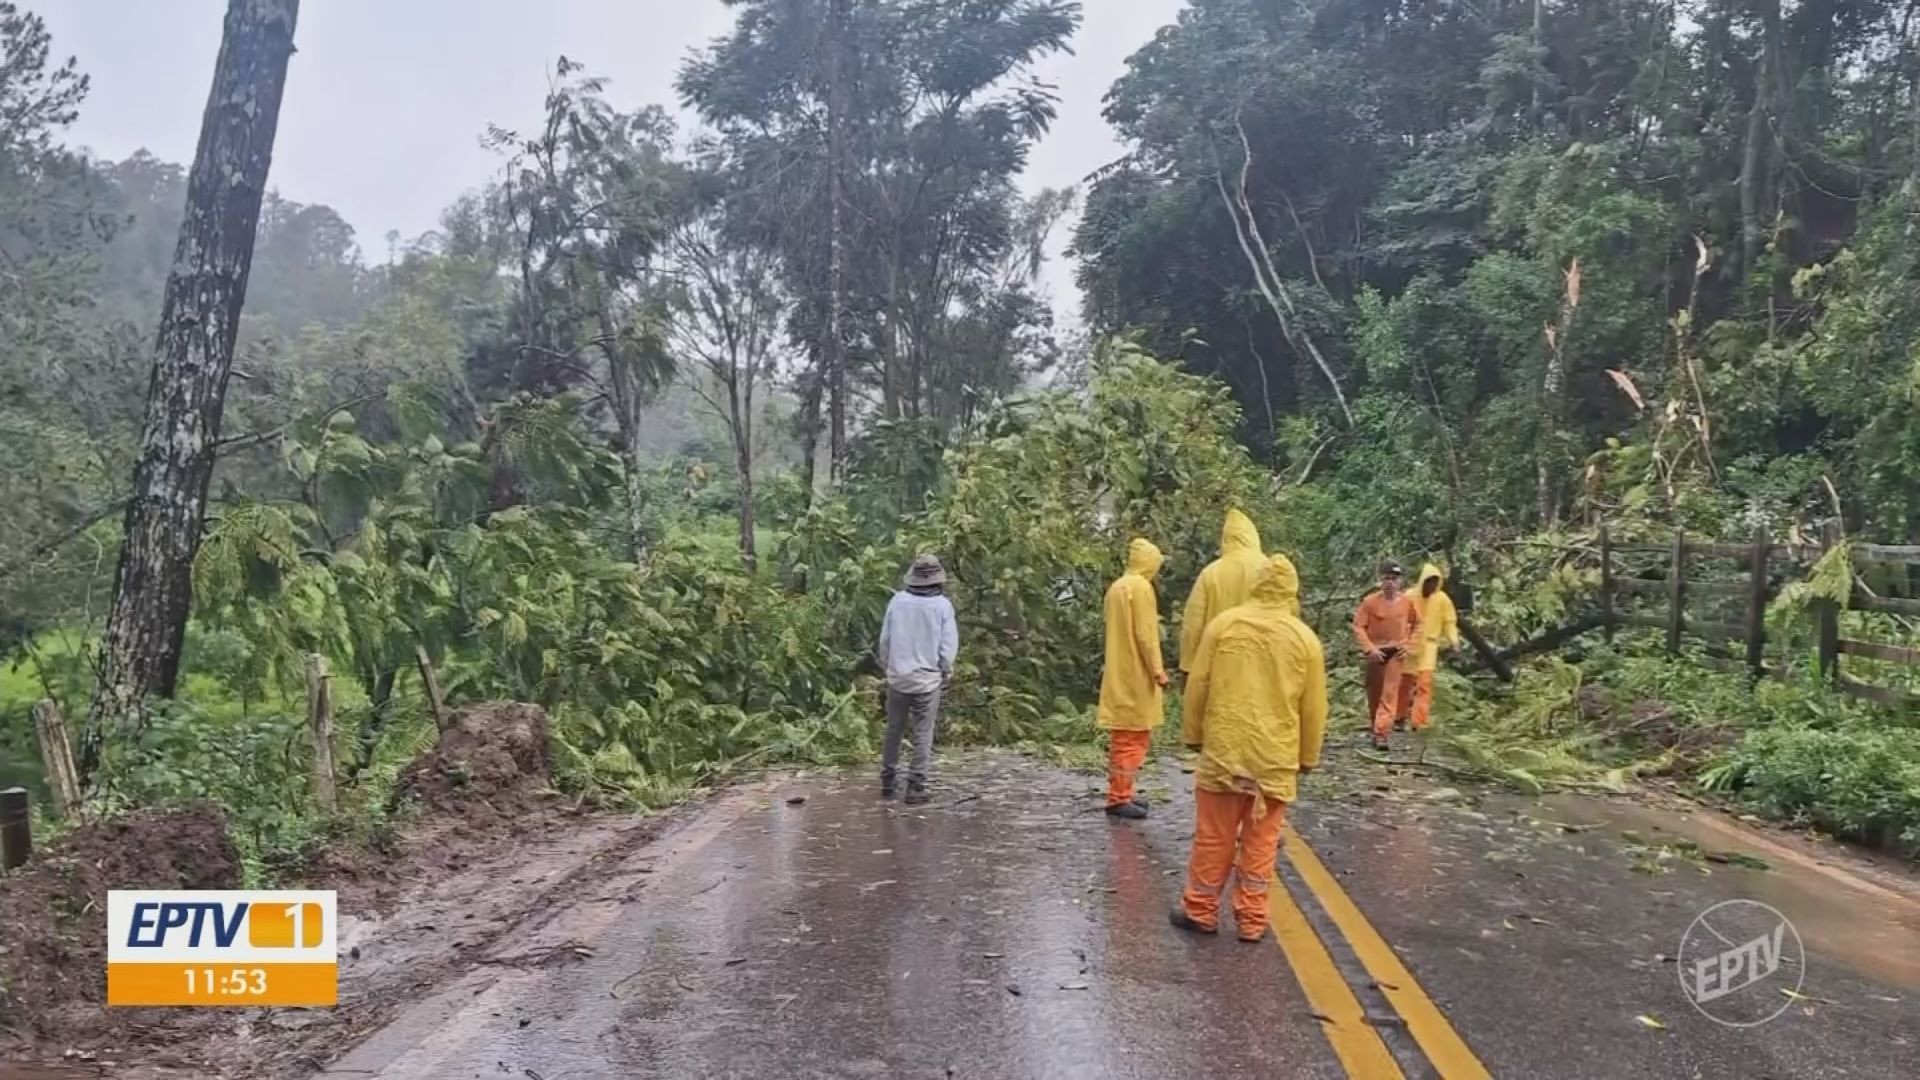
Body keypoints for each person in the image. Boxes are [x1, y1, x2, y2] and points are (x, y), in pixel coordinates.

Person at [1171, 554, 1327, 942]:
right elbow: (1313, 707)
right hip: (1274, 759)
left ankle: (1201, 911)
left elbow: (1198, 686)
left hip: (1225, 752)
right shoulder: (1304, 638)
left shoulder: (1223, 625)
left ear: (1256, 584)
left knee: (1213, 836)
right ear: (1292, 591)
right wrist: (1307, 757)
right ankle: (1252, 921)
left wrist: (1193, 735)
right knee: (1262, 842)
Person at [876, 554, 958, 805]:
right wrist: (946, 669)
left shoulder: (897, 601)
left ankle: (888, 781)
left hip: (898, 677)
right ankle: (916, 786)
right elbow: (947, 646)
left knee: (894, 730)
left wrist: (888, 666)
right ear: (938, 581)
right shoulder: (942, 606)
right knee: (923, 732)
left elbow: (885, 640)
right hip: (927, 680)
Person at [1097, 538, 1169, 820]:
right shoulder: (1140, 588)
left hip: (1119, 672)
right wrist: (1158, 671)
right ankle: (1118, 798)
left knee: (1123, 737)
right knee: (1132, 737)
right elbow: (1146, 634)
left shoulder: (1117, 587)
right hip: (1135, 674)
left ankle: (1121, 793)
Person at [1179, 509, 1271, 675]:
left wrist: (1188, 666)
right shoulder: (1271, 569)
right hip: (1262, 664)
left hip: (1218, 663)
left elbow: (1193, 624)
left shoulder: (1211, 573)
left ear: (1226, 539)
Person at [1352, 560, 1421, 751]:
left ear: (1400, 581)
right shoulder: (1370, 602)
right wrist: (1369, 648)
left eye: (1394, 578)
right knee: (1374, 693)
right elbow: (1358, 626)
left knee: (1389, 694)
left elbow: (1417, 625)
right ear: (1380, 580)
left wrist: (1408, 644)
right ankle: (1376, 726)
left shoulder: (1407, 603)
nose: (1390, 582)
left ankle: (1382, 733)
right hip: (1376, 652)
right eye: (1386, 578)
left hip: (1396, 653)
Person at [1401, 562, 1461, 733]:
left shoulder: (1442, 599)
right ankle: (1399, 717)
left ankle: (1419, 722)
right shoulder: (1409, 596)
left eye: (1435, 582)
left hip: (1428, 646)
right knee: (1404, 684)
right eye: (1429, 581)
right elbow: (1399, 619)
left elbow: (1449, 622)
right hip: (1409, 645)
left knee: (1424, 684)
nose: (1432, 586)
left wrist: (1454, 641)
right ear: (1422, 581)